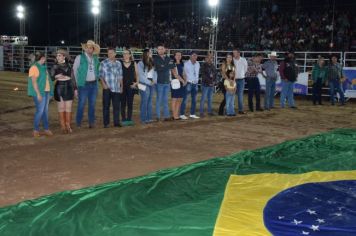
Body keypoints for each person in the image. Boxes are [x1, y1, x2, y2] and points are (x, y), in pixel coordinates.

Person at [73, 40, 101, 128]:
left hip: (94, 84)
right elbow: (74, 70)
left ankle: (91, 122)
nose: (89, 49)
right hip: (83, 84)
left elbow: (98, 70)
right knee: (81, 104)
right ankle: (78, 123)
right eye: (87, 48)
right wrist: (76, 85)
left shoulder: (96, 59)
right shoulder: (79, 57)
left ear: (93, 49)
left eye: (91, 48)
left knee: (92, 104)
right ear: (85, 49)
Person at [27, 52, 54, 137]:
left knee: (45, 111)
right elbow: (34, 82)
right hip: (39, 92)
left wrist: (50, 92)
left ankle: (46, 129)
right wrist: (38, 94)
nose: (45, 60)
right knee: (40, 111)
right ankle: (35, 130)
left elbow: (47, 80)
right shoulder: (34, 67)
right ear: (41, 58)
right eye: (44, 58)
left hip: (46, 92)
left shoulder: (43, 67)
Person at [50, 49, 77, 134]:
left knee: (68, 108)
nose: (57, 57)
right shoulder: (54, 66)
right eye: (57, 56)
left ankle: (68, 125)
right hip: (59, 87)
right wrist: (56, 76)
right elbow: (51, 77)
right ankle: (63, 126)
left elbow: (73, 78)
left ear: (64, 56)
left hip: (69, 87)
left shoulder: (69, 65)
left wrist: (75, 89)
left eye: (59, 55)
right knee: (61, 108)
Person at [99, 47, 123, 128]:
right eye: (108, 53)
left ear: (115, 53)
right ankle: (106, 123)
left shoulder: (119, 63)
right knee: (106, 106)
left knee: (116, 106)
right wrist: (104, 85)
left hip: (116, 88)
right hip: (107, 88)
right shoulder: (103, 63)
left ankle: (116, 122)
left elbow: (120, 76)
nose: (110, 54)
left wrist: (121, 87)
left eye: (111, 53)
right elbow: (101, 75)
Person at [153, 44, 176, 121]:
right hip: (159, 82)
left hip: (167, 82)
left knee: (165, 100)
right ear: (157, 50)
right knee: (159, 100)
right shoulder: (155, 59)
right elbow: (159, 68)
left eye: (161, 49)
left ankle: (166, 116)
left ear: (164, 49)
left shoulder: (169, 58)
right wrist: (166, 66)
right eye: (159, 49)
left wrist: (164, 66)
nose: (160, 50)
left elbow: (172, 67)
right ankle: (158, 117)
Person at [121, 49, 139, 126]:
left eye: (126, 53)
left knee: (130, 103)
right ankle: (123, 119)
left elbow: (137, 74)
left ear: (130, 55)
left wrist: (136, 83)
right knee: (123, 103)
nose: (125, 55)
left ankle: (129, 119)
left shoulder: (134, 63)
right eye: (124, 54)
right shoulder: (120, 63)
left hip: (131, 86)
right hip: (122, 86)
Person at [138, 48, 155, 124]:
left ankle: (149, 118)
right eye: (150, 52)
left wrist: (154, 80)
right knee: (145, 101)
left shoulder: (152, 62)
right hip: (143, 83)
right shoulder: (140, 63)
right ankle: (143, 119)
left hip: (151, 83)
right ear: (147, 53)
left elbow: (155, 73)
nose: (151, 53)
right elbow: (140, 76)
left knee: (149, 101)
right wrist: (149, 82)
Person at [181, 51, 200, 119]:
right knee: (185, 99)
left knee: (194, 100)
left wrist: (197, 81)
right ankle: (182, 114)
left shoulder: (198, 63)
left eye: (196, 55)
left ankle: (192, 113)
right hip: (188, 83)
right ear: (190, 56)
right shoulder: (186, 64)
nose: (195, 57)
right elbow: (184, 73)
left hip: (195, 83)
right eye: (194, 55)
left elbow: (197, 73)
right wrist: (185, 81)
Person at [199, 52, 218, 117]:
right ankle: (201, 112)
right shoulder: (203, 66)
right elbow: (204, 76)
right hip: (205, 84)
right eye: (209, 57)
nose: (210, 59)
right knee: (203, 98)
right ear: (206, 58)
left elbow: (215, 74)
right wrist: (211, 82)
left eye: (211, 58)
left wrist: (214, 82)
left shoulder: (212, 65)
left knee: (210, 99)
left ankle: (209, 111)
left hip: (211, 84)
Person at [171, 51, 186, 120]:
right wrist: (183, 81)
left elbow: (184, 73)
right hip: (176, 83)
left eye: (180, 55)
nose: (179, 56)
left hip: (181, 83)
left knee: (180, 99)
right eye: (177, 55)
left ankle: (176, 114)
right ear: (174, 56)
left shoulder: (182, 64)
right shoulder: (172, 64)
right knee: (174, 99)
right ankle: (174, 115)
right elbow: (175, 74)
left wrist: (185, 80)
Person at [232, 48, 248, 114]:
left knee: (240, 95)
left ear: (238, 53)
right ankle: (231, 109)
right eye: (233, 53)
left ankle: (240, 110)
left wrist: (241, 74)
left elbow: (246, 69)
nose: (233, 54)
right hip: (233, 80)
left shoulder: (243, 60)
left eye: (235, 52)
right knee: (232, 94)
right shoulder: (232, 60)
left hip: (241, 79)